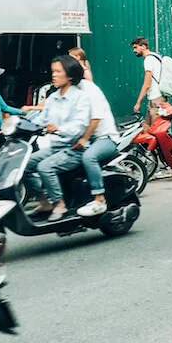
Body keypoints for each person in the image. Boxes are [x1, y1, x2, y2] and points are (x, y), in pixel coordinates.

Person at [24, 54, 92, 222]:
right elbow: (41, 120)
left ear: (70, 75)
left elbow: (80, 126)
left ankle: (60, 204)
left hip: (75, 149)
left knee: (45, 167)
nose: (53, 75)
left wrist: (59, 129)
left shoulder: (80, 98)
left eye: (58, 72)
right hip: (55, 148)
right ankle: (43, 200)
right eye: (53, 71)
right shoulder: (53, 97)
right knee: (23, 165)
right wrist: (19, 124)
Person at [67, 47, 121, 220]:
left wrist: (82, 138)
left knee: (88, 157)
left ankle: (99, 199)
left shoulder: (88, 88)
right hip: (88, 137)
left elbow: (94, 118)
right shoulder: (69, 92)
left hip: (104, 138)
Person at [130, 37, 166, 124]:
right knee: (146, 128)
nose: (134, 50)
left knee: (156, 130)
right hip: (157, 98)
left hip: (156, 99)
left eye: (136, 47)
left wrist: (138, 102)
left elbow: (147, 84)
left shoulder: (148, 60)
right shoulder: (156, 56)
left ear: (143, 46)